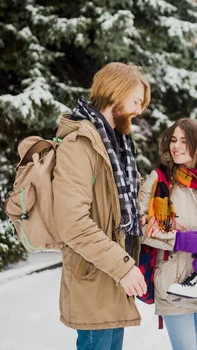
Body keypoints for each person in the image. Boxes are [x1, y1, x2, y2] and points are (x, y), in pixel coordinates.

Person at [52, 62, 150, 350]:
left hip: (116, 274)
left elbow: (120, 207)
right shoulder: (80, 145)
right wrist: (123, 268)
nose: (139, 110)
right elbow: (74, 224)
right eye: (135, 101)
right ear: (115, 94)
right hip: (96, 277)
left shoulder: (118, 144)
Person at [138, 118, 197, 350]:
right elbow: (140, 227)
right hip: (172, 280)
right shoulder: (159, 180)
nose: (176, 146)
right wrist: (180, 240)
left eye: (184, 140)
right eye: (173, 140)